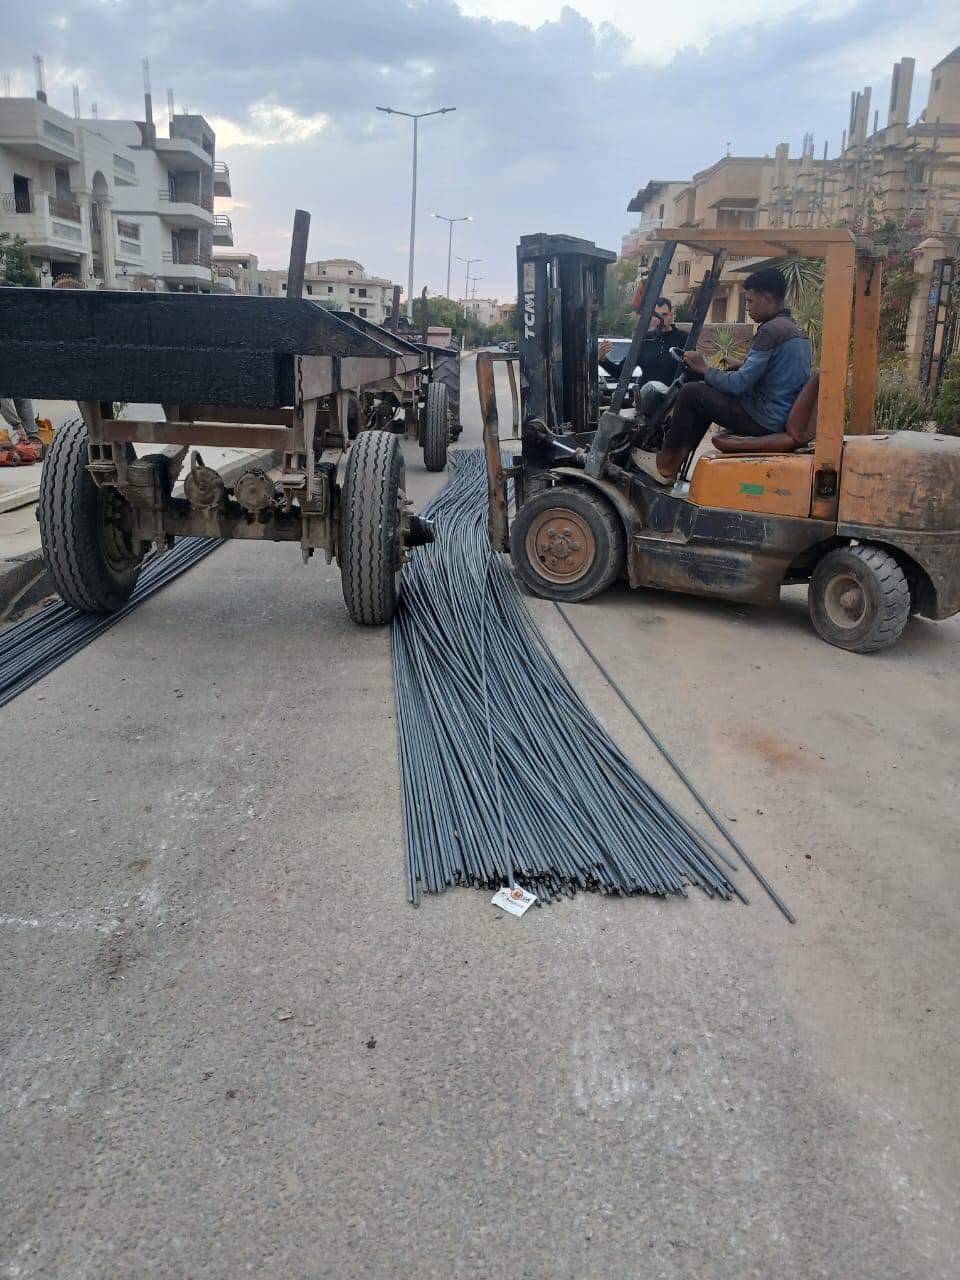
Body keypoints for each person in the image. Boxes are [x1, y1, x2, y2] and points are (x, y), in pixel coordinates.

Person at [631, 268, 811, 485]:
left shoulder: (770, 331)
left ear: (767, 298)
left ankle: (666, 464)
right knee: (706, 396)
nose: (747, 307)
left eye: (750, 301)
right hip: (778, 413)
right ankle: (676, 463)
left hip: (764, 417)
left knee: (691, 392)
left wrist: (704, 368)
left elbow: (739, 385)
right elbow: (780, 372)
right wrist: (743, 365)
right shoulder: (794, 330)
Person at [598, 296, 684, 391]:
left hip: (674, 396)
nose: (661, 319)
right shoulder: (644, 339)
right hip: (647, 396)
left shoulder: (684, 339)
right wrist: (603, 360)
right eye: (656, 315)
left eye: (664, 315)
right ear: (651, 317)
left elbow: (691, 374)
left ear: (671, 315)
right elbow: (621, 373)